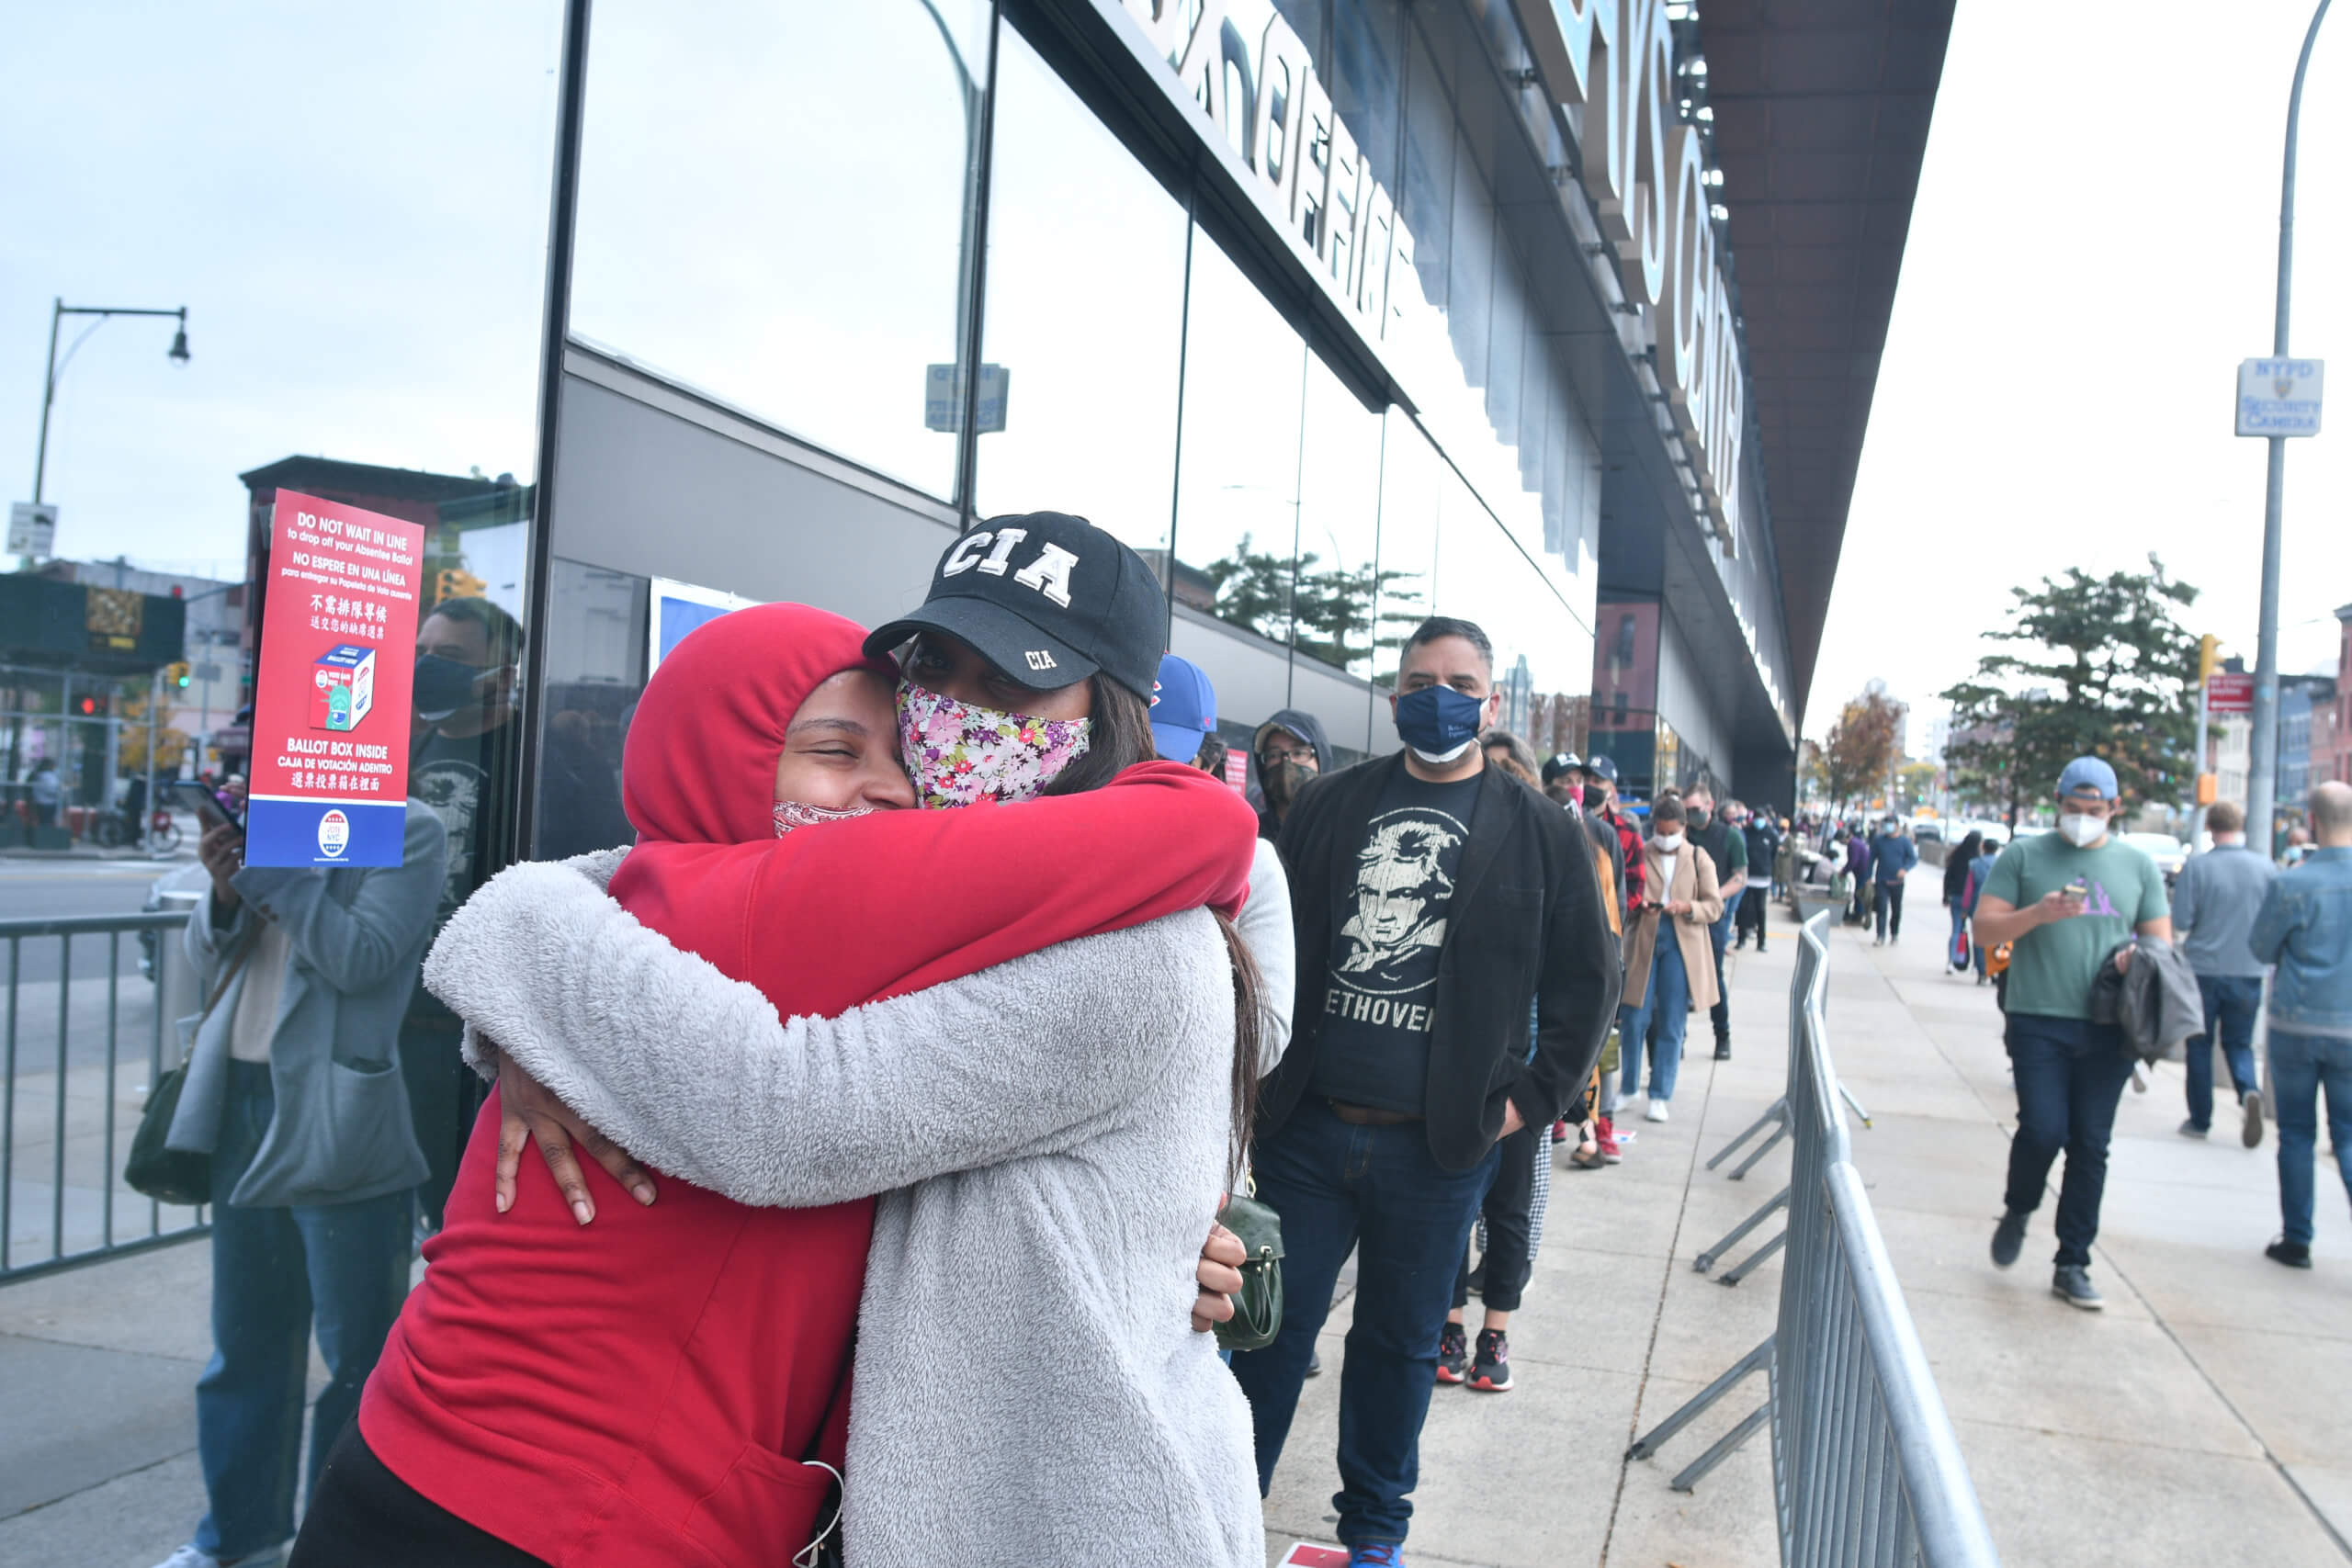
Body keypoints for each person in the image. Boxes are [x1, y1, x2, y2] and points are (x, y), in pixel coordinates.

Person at [305, 518, 1272, 1567]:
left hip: (1043, 1504)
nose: (942, 737)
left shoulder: (1118, 948)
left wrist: (1156, 1250)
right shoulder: (769, 921)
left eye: (1013, 686)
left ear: (1109, 716)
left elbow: (795, 1107)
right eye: (937, 673)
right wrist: (521, 966)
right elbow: (775, 1058)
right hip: (552, 1510)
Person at [1227, 616, 1617, 1565]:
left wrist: (1526, 1104)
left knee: (1397, 1352)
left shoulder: (1542, 834)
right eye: (1416, 678)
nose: (1434, 694)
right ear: (1394, 692)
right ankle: (1220, 1511)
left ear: (1487, 702)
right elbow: (1265, 936)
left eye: (1456, 680)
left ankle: (1372, 1532)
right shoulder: (1330, 806)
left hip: (1439, 1147)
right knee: (1266, 1341)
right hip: (1306, 1134)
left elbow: (1587, 983)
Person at [152, 796, 447, 1568]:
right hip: (240, 1096)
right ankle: (234, 1538)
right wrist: (226, 891)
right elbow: (210, 956)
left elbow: (363, 957)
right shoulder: (272, 820)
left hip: (335, 1115)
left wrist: (275, 874)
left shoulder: (408, 828)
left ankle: (332, 1545)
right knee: (245, 1344)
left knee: (356, 1359)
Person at [1975, 757, 2172, 1311]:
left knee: (2090, 1143)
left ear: (2113, 810)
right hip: (2037, 1015)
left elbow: (2162, 942)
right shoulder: (2024, 856)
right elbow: (1984, 929)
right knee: (2042, 1129)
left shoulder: (2137, 865)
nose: (2082, 819)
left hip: (2109, 1024)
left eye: (2094, 811)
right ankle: (2018, 1208)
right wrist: (2037, 914)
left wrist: (2141, 957)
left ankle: (2072, 1261)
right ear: (2056, 802)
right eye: (2072, 809)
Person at [2247, 780, 2352, 1269]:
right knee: (2348, 1136)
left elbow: (2262, 949)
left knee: (2295, 1133)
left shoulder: (2292, 882)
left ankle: (2297, 1239)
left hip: (2297, 1021)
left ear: (2312, 822)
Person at [2168, 800, 2275, 1145]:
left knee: (2199, 1043)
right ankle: (2247, 1092)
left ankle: (2200, 1120)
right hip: (2248, 968)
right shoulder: (2266, 868)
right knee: (2239, 1043)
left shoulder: (2197, 868)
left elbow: (2181, 921)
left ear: (2210, 828)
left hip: (2203, 969)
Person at [1616, 792, 1724, 1122]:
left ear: (1683, 829)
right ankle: (1629, 1085)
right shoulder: (1640, 851)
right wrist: (1639, 905)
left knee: (1672, 1021)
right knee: (1634, 1016)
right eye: (1660, 832)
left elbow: (1715, 906)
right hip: (1645, 936)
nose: (1664, 838)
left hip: (1681, 941)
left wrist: (1688, 907)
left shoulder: (1698, 857)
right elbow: (1624, 894)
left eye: (1670, 832)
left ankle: (1660, 1093)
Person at [1682, 784, 1744, 1062]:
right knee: (1679, 978)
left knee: (1714, 976)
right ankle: (1677, 1037)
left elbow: (1739, 877)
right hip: (1683, 912)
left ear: (1710, 806)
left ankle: (1722, 1035)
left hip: (1713, 916)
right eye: (1687, 810)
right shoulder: (1682, 832)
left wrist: (1714, 896)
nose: (1691, 814)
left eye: (1696, 809)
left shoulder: (1730, 836)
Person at [1250, 707, 1331, 844]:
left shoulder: (1343, 831)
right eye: (1273, 755)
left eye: (1298, 753)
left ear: (1321, 759)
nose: (1286, 763)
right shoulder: (1253, 836)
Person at [1736, 802, 1780, 953]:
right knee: (1743, 909)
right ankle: (1741, 939)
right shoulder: (1747, 832)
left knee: (1760, 910)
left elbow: (1774, 854)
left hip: (1763, 878)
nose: (1758, 820)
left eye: (1761, 818)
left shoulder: (1771, 834)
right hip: (1747, 877)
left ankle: (1761, 942)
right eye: (1757, 817)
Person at [1871, 817, 1918, 945]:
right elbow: (1871, 860)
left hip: (1897, 882)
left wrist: (1905, 869)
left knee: (1896, 910)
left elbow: (1913, 859)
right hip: (1881, 880)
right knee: (1881, 908)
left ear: (1896, 825)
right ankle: (1880, 935)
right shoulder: (1878, 841)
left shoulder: (1905, 842)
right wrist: (1868, 877)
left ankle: (1894, 934)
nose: (1887, 827)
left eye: (1890, 824)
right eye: (1885, 824)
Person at [1943, 829, 1985, 971]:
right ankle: (1976, 964)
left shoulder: (1956, 856)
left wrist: (1946, 895)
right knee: (1977, 932)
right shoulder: (1979, 862)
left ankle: (1951, 961)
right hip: (1974, 900)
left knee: (1956, 930)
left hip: (1956, 897)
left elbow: (1948, 877)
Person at [1846, 824, 1874, 925]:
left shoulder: (1853, 844)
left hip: (1863, 872)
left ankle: (1859, 915)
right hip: (1861, 871)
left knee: (1860, 893)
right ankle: (1858, 913)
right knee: (1858, 892)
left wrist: (1844, 872)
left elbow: (1853, 861)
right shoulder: (1855, 843)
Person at [28, 758, 62, 829]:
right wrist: (59, 793)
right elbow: (51, 790)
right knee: (45, 823)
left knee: (46, 823)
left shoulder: (43, 775)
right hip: (45, 804)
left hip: (46, 803)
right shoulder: (45, 776)